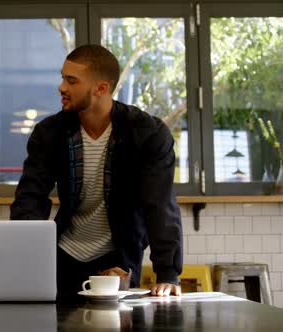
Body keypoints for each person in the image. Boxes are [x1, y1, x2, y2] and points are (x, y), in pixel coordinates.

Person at [10, 44, 182, 298]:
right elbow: (30, 199)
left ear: (101, 88)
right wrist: (29, 262)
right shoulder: (49, 133)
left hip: (118, 259)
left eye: (71, 81)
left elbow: (160, 205)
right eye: (63, 78)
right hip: (62, 254)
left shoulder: (148, 134)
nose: (62, 87)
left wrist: (168, 274)